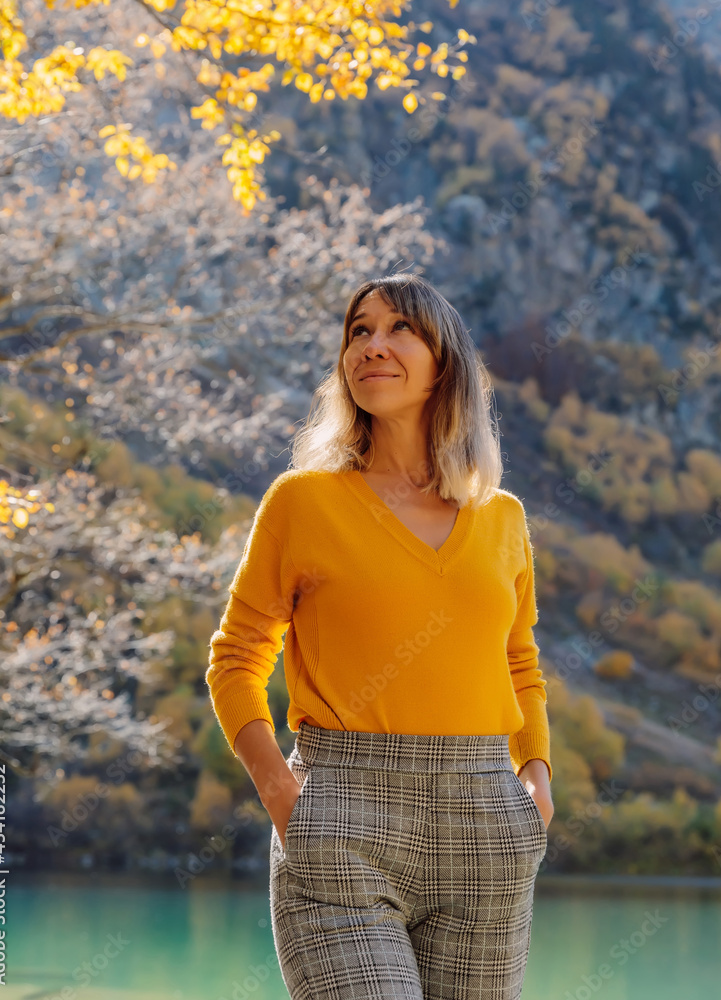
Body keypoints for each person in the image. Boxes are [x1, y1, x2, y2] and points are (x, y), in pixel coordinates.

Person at [206, 272, 554, 1000]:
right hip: (341, 813)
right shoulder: (303, 502)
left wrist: (536, 783)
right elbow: (237, 658)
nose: (372, 345)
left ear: (445, 364)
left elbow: (519, 661)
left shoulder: (503, 519)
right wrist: (282, 794)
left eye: (399, 329)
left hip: (488, 820)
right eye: (358, 331)